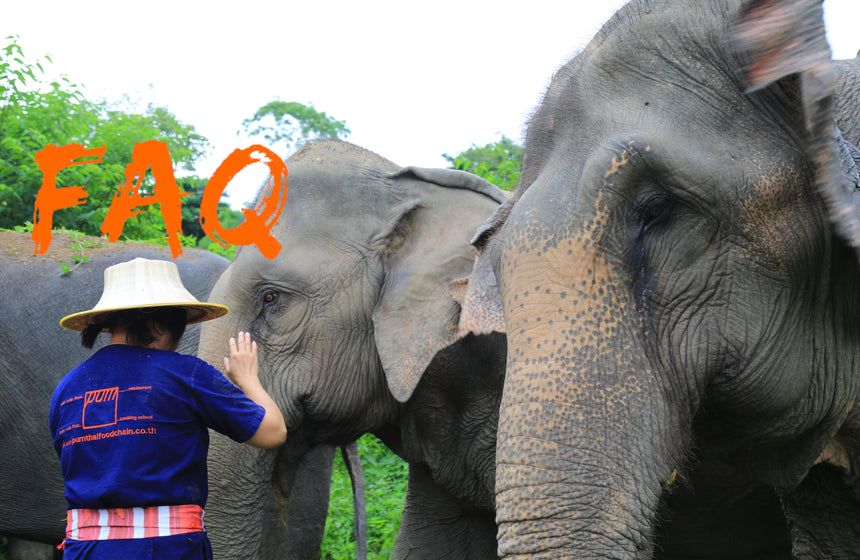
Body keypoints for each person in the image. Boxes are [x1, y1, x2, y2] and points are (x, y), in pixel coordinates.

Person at [49, 257, 287, 559]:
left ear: (109, 323)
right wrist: (248, 379)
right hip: (168, 550)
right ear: (161, 324)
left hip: (84, 550)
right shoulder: (184, 373)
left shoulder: (66, 389)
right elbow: (273, 432)